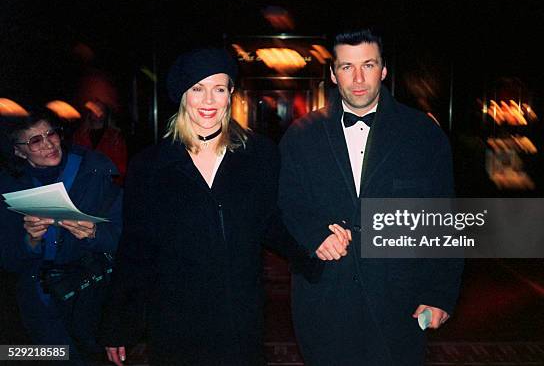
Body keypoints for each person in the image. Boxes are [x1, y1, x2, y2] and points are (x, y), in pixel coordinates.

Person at [99, 48, 323, 366]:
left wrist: (316, 251)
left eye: (219, 89)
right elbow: (136, 249)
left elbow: (272, 222)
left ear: (230, 93)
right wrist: (118, 323)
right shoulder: (150, 166)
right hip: (176, 320)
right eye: (198, 89)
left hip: (239, 318)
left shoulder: (259, 155)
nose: (208, 101)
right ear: (183, 96)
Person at [278, 29, 464, 365]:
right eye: (347, 67)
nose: (359, 78)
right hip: (325, 299)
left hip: (400, 301)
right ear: (333, 74)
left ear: (384, 70)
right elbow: (285, 206)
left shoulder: (423, 134)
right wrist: (312, 233)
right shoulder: (300, 136)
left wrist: (439, 294)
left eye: (368, 64)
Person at [0, 108, 122, 365]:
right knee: (53, 357)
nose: (48, 144)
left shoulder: (94, 169)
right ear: (19, 151)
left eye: (51, 133)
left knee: (90, 357)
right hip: (41, 301)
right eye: (35, 140)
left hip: (91, 293)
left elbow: (127, 239)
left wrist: (95, 234)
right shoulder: (10, 184)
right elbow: (8, 260)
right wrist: (30, 241)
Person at [73, 99, 128, 184]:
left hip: (109, 185)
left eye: (101, 109)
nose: (98, 112)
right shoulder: (79, 136)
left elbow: (121, 168)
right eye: (95, 109)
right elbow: (74, 162)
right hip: (84, 184)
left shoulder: (115, 137)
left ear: (106, 114)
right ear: (89, 113)